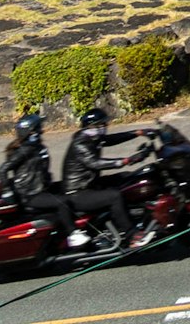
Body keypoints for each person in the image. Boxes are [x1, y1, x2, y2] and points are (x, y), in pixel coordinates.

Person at [58, 102, 137, 245]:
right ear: (93, 126)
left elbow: (112, 139)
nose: (105, 127)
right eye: (102, 125)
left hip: (91, 183)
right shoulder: (80, 143)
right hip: (78, 192)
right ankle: (132, 235)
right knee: (114, 196)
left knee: (128, 178)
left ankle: (134, 217)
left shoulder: (93, 138)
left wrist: (138, 133)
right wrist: (125, 160)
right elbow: (95, 163)